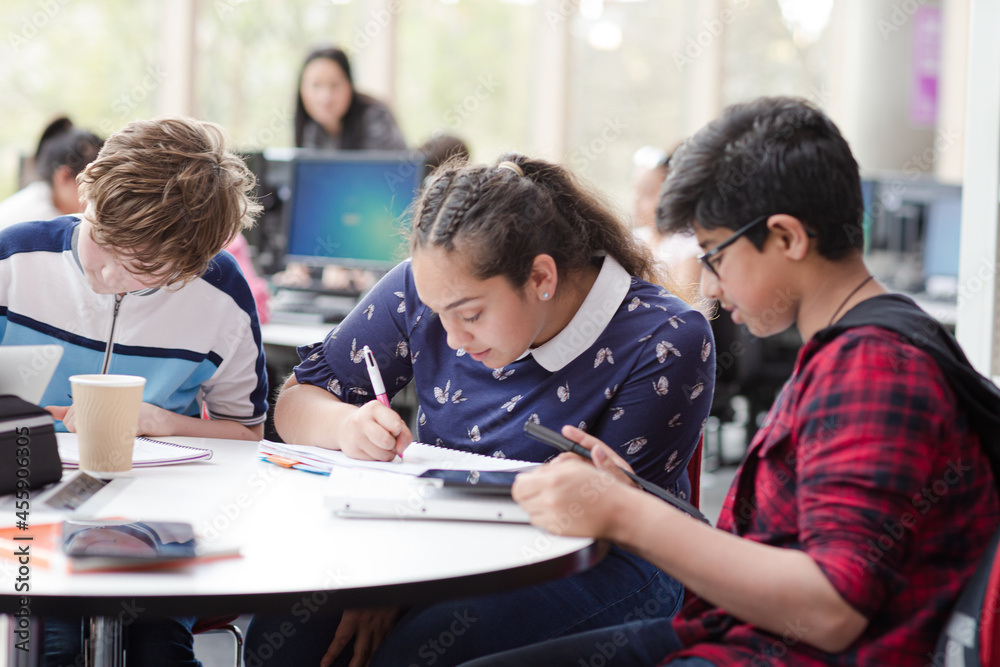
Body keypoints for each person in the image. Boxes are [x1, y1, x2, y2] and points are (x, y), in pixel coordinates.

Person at [456, 96, 1000, 666]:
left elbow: (831, 607)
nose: (710, 286)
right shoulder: (875, 337)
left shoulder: (871, 369)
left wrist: (627, 516)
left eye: (715, 256)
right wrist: (634, 499)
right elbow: (786, 545)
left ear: (787, 237)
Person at [245, 153, 716, 666]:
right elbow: (294, 403)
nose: (450, 336)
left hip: (597, 552)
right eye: (438, 313)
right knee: (284, 636)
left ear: (541, 278)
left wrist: (400, 577)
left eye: (470, 315)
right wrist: (345, 424)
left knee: (419, 652)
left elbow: (592, 517)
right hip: (435, 534)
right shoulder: (428, 289)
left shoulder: (665, 338)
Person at [0, 116, 270, 666]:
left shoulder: (221, 299)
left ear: (193, 264)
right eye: (102, 237)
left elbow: (248, 434)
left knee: (158, 649)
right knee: (50, 641)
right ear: (88, 187)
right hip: (25, 515)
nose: (106, 272)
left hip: (161, 519)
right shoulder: (13, 263)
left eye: (143, 268)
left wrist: (167, 422)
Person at [294, 46, 407, 151]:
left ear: (350, 86)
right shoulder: (311, 130)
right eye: (316, 85)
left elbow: (391, 168)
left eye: (335, 85)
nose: (325, 97)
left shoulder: (375, 117)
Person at [0, 117, 103, 231]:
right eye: (95, 185)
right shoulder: (39, 222)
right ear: (63, 176)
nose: (100, 196)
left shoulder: (42, 198)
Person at [631, 145, 701, 290]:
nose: (636, 199)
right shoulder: (634, 239)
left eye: (647, 192)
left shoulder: (688, 244)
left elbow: (684, 304)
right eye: (635, 190)